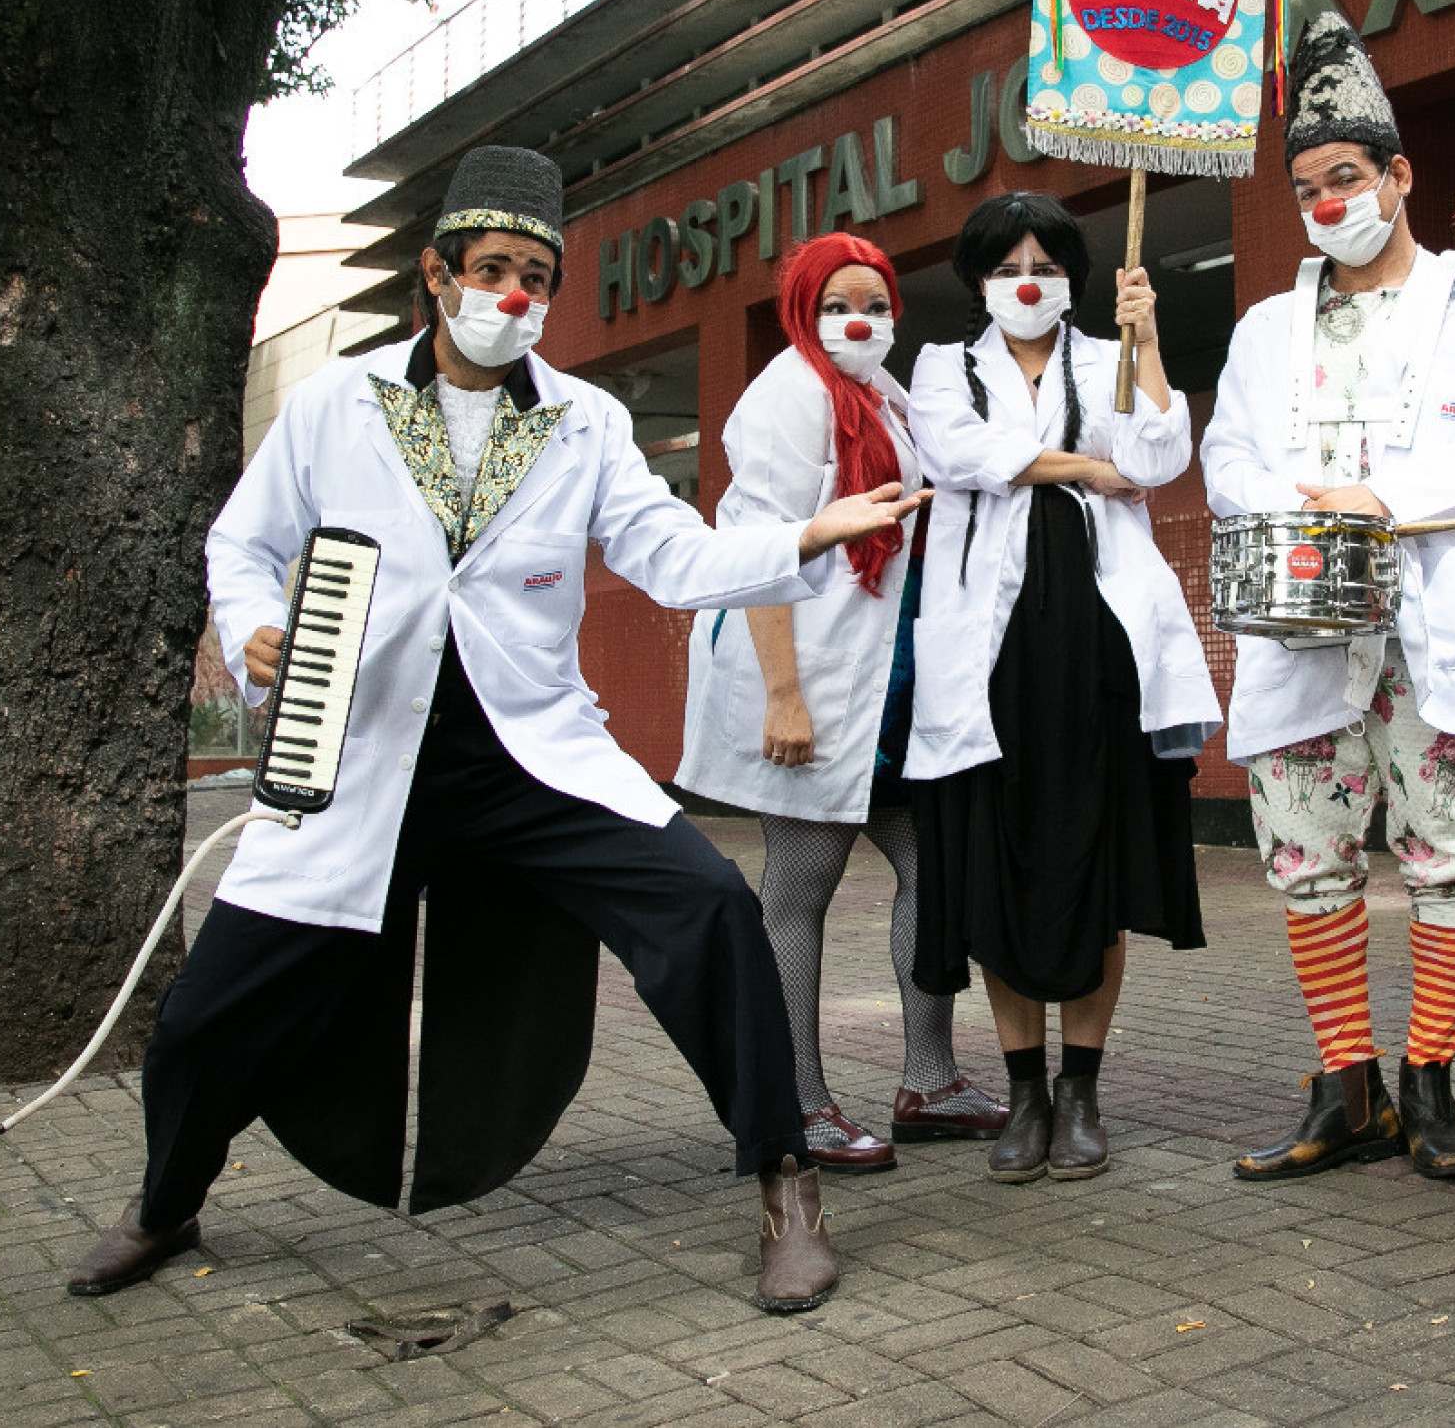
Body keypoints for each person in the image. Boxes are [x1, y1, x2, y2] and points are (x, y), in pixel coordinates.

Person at [62, 146, 925, 1313]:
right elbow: (242, 542)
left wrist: (807, 535)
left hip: (528, 754)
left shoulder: (584, 419)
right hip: (362, 754)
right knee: (213, 1004)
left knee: (711, 908)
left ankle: (786, 1181)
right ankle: (166, 1200)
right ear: (435, 272)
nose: (514, 294)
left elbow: (670, 559)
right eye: (492, 268)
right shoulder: (336, 403)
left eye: (537, 275)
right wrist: (260, 623)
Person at [1200, 11, 1455, 1185]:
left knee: (1448, 848)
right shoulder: (1262, 328)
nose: (1327, 202)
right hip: (1303, 623)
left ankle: (1429, 1082)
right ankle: (1343, 1084)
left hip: (1430, 621)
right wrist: (1300, 501)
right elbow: (1229, 459)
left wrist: (1377, 498)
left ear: (1399, 175)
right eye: (1306, 187)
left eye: (1345, 177)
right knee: (1305, 849)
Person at [904, 190, 1218, 1186]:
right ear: (977, 279)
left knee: (1097, 864)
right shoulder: (943, 367)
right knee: (998, 871)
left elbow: (1161, 457)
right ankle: (1022, 1091)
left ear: (1074, 278)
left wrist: (1148, 336)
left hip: (1101, 651)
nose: (1026, 281)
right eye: (1005, 266)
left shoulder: (1104, 357)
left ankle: (1079, 1090)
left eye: (1043, 263)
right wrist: (1089, 463)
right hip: (986, 658)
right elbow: (962, 454)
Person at [679, 233, 1006, 1170]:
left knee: (930, 867)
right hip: (812, 679)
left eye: (873, 299)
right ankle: (799, 1104)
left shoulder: (879, 392)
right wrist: (783, 693)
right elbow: (760, 548)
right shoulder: (789, 394)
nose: (858, 318)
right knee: (800, 884)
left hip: (885, 681)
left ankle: (928, 1079)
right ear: (801, 310)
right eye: (834, 303)